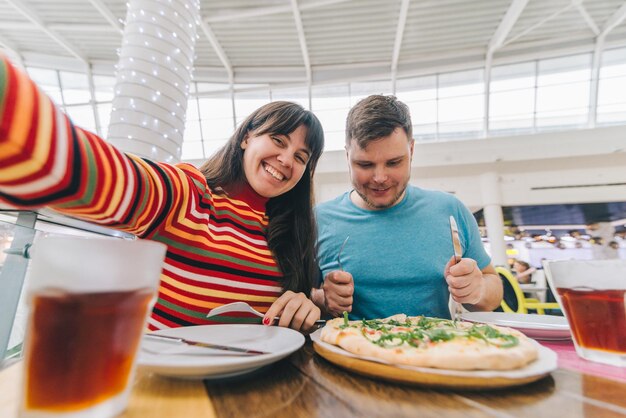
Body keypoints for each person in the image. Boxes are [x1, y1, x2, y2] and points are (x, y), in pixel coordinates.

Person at [0, 55, 323, 332]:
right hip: (165, 390)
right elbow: (98, 178)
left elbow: (293, 307)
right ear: (246, 138)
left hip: (258, 391)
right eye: (279, 141)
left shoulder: (291, 231)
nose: (285, 160)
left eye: (300, 157)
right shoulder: (188, 193)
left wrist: (306, 303)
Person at [311, 95, 502, 319]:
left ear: (411, 150)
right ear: (347, 156)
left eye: (393, 162)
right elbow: (301, 297)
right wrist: (322, 299)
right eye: (365, 164)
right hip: (345, 351)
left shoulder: (450, 210)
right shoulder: (318, 220)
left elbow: (493, 288)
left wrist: (477, 289)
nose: (380, 177)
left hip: (434, 350)